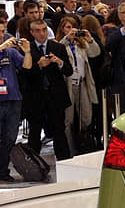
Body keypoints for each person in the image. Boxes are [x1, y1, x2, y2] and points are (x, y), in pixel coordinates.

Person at [23, 19, 73, 160]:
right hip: (35, 97)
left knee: (59, 131)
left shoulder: (58, 47)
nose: (42, 33)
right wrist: (38, 66)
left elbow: (69, 71)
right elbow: (24, 74)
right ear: (32, 32)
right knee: (35, 132)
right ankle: (33, 164)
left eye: (44, 30)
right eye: (38, 30)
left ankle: (64, 161)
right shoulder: (27, 49)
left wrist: (59, 62)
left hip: (55, 96)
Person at [55, 16, 100, 155]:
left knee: (87, 117)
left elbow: (95, 53)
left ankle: (83, 144)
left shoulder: (81, 44)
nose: (72, 30)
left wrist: (90, 39)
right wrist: (67, 38)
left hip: (83, 83)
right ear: (63, 29)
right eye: (68, 27)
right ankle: (70, 149)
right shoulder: (60, 44)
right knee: (68, 119)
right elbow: (57, 52)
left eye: (74, 27)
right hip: (68, 85)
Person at [0, 33, 32, 182]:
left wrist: (27, 51)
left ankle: (3, 170)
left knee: (10, 138)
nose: (1, 35)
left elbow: (27, 66)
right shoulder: (4, 48)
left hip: (13, 100)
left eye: (2, 32)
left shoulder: (11, 52)